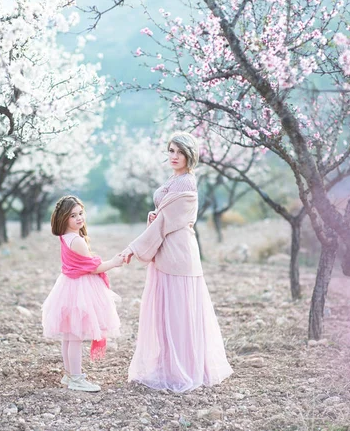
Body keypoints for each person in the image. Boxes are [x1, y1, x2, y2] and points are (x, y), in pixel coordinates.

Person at [120, 132, 233, 393]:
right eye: (171, 151)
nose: (173, 156)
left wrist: (132, 248)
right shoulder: (176, 178)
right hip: (168, 249)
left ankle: (181, 368)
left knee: (178, 314)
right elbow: (165, 217)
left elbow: (165, 222)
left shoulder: (185, 183)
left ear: (189, 155)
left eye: (179, 152)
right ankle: (172, 364)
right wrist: (157, 214)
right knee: (168, 314)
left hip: (177, 253)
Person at [42, 195, 123, 392]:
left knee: (69, 336)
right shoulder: (77, 241)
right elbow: (92, 268)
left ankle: (69, 375)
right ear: (63, 219)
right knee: (75, 336)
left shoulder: (66, 237)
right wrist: (113, 262)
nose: (79, 218)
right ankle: (76, 378)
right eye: (72, 216)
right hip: (79, 288)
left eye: (80, 213)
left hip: (68, 286)